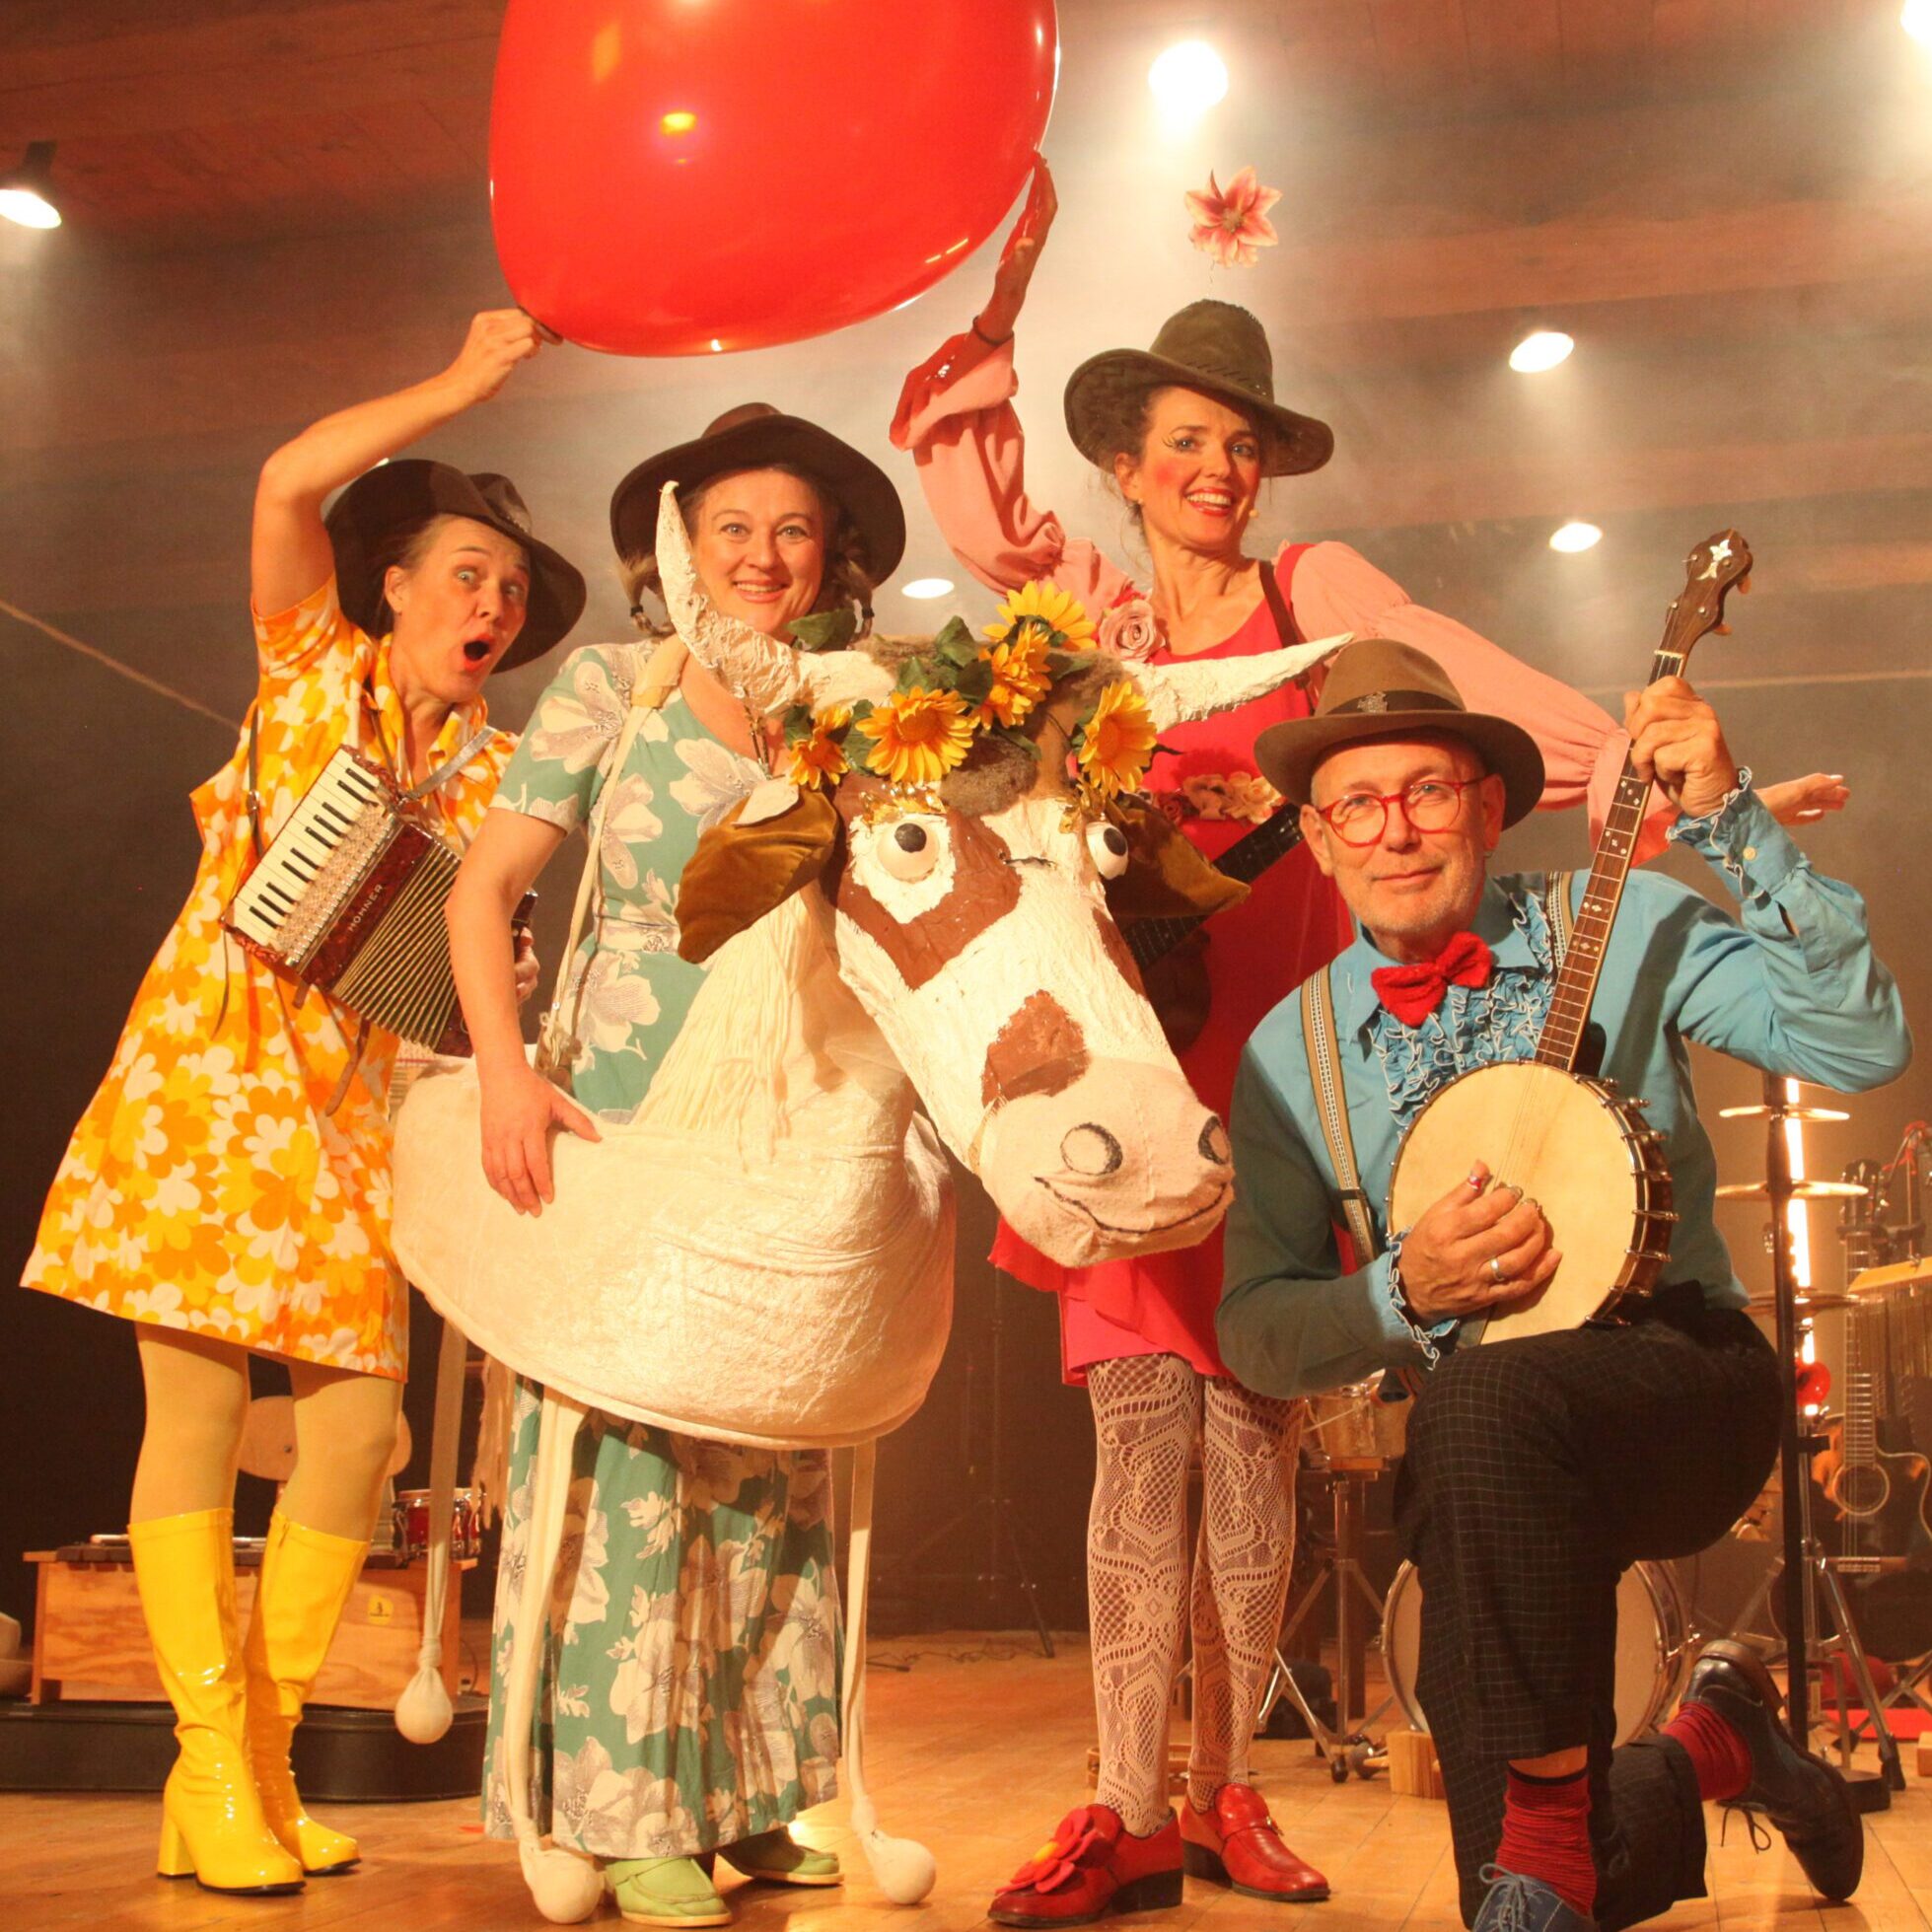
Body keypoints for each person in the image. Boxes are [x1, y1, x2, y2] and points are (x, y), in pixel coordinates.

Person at [891, 162, 1847, 1923]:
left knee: (1253, 1422)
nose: (1218, 469)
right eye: (1186, 441)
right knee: (1138, 1430)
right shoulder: (1087, 622)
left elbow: (1463, 696)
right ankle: (1125, 1808)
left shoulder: (1309, 582)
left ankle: (1230, 1791)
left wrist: (1654, 790)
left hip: (1300, 1054)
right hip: (1139, 1068)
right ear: (1126, 462)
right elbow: (974, 493)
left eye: (1242, 445)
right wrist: (1002, 294)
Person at [1218, 636, 1910, 1931]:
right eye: (1358, 805)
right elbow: (1254, 1329)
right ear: (1316, 839)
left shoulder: (1627, 920)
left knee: (1474, 1410)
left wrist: (1731, 817)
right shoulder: (1287, 1055)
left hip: (1682, 1388)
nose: (1396, 831)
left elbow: (1860, 1042)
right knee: (1532, 1893)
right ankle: (1716, 1740)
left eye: (1429, 791)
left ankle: (1558, 1829)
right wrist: (1398, 1291)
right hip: (1486, 1480)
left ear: (1489, 807)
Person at [23, 311, 585, 1895]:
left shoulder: (501, 777)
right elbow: (283, 481)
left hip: (355, 1122)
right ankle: (216, 1763)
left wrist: (499, 998)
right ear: (391, 585)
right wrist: (462, 387)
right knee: (196, 1415)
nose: (491, 606)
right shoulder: (309, 667)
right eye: (466, 574)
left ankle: (253, 1758)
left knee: (358, 1439)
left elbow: (474, 962)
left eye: (510, 593)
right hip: (206, 1085)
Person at [444, 403, 905, 1928]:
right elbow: (485, 892)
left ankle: (752, 1793)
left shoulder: (854, 710)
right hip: (624, 1112)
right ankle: (621, 1803)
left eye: (793, 530)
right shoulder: (611, 688)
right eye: (732, 529)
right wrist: (505, 1076)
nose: (763, 556)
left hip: (788, 1117)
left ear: (831, 553)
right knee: (630, 1454)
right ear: (679, 548)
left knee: (773, 1446)